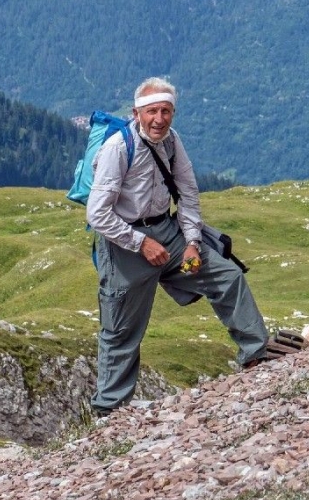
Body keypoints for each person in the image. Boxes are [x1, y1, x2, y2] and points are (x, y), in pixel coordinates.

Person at [86, 77, 270, 416]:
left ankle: (256, 354)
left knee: (227, 277)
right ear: (136, 113)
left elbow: (187, 192)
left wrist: (192, 242)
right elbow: (97, 214)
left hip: (167, 232)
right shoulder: (117, 148)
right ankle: (110, 411)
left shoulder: (172, 142)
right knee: (121, 328)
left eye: (166, 111)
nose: (160, 119)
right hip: (125, 242)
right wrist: (141, 244)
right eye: (153, 111)